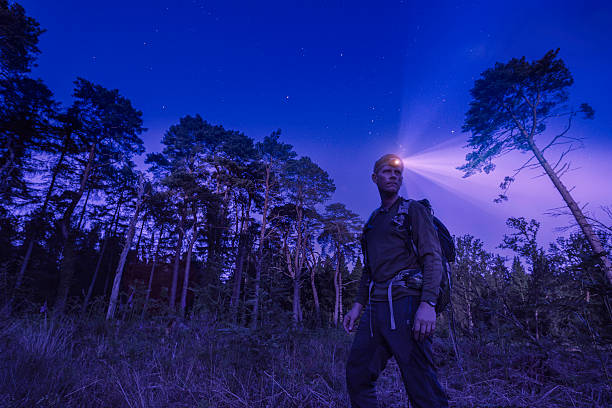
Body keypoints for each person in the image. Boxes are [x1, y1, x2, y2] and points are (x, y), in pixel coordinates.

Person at [343, 154, 449, 408]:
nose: (393, 176)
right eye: (387, 172)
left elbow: (432, 257)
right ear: (374, 177)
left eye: (397, 174)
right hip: (375, 309)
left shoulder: (414, 210)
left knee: (421, 384)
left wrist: (428, 304)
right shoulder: (372, 222)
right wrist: (357, 306)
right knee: (357, 375)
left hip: (407, 304)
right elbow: (369, 269)